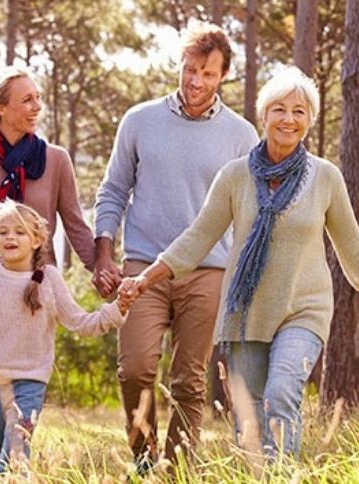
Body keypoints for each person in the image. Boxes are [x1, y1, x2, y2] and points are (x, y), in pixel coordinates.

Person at [119, 66, 359, 459]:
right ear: (264, 115)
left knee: (282, 390)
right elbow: (199, 237)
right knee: (249, 419)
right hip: (247, 312)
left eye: (299, 111)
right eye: (280, 109)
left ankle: (281, 473)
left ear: (309, 121)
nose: (289, 119)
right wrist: (145, 278)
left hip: (304, 309)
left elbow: (351, 244)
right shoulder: (234, 177)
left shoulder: (325, 178)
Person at [93, 20, 259, 469]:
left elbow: (249, 212)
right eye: (189, 69)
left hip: (208, 270)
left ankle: (177, 470)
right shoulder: (140, 120)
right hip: (142, 267)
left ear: (223, 75)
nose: (195, 81)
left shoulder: (242, 136)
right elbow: (113, 190)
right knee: (136, 368)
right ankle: (144, 461)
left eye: (207, 73)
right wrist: (103, 252)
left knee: (188, 381)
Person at [0, 66, 96, 451]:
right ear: (0, 108)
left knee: (26, 394)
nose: (36, 107)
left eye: (38, 98)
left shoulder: (56, 160)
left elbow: (76, 224)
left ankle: (14, 465)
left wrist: (101, 268)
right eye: (27, 99)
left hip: (35, 291)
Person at [0, 200, 127, 470]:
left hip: (30, 381)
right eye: (3, 232)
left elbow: (81, 322)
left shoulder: (49, 280)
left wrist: (117, 309)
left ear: (37, 239)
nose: (11, 237)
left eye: (19, 232)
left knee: (15, 454)